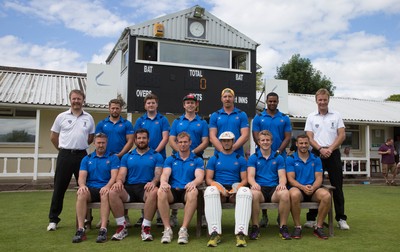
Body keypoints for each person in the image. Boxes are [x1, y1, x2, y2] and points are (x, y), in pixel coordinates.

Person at [47, 89, 95, 231]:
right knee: (59, 188)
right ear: (70, 100)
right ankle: (53, 220)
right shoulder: (61, 116)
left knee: (85, 187)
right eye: (74, 99)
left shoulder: (89, 117)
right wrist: (62, 150)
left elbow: (91, 137)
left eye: (79, 99)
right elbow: (53, 137)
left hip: (82, 156)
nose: (76, 101)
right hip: (65, 156)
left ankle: (86, 218)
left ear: (83, 100)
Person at [304, 88, 349, 230]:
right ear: (316, 100)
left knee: (337, 186)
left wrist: (329, 149)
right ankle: (311, 218)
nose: (322, 102)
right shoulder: (311, 116)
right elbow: (309, 137)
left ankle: (341, 218)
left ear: (328, 100)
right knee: (314, 184)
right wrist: (321, 149)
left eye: (325, 99)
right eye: (320, 100)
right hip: (317, 154)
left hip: (333, 153)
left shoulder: (336, 115)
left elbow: (341, 135)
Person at [108, 128, 163, 241]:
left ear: (148, 139)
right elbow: (122, 174)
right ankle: (121, 227)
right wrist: (118, 182)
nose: (141, 140)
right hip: (130, 188)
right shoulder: (127, 156)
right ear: (135, 140)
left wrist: (153, 182)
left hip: (146, 188)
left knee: (154, 192)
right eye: (139, 138)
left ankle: (145, 228)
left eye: (144, 138)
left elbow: (158, 174)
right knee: (113, 192)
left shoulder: (157, 156)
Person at [204, 131, 252, 247]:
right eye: (224, 141)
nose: (226, 143)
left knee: (245, 191)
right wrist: (218, 187)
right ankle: (215, 233)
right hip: (219, 189)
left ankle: (240, 233)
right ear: (220, 142)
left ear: (233, 142)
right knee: (210, 191)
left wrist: (236, 188)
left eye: (228, 140)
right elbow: (208, 179)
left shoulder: (239, 158)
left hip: (234, 189)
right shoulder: (214, 158)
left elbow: (244, 179)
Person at [252, 92, 292, 227]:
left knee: (280, 184)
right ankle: (264, 215)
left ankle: (281, 217)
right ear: (266, 101)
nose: (272, 103)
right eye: (270, 101)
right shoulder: (259, 117)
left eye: (275, 101)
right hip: (262, 156)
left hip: (280, 157)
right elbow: (256, 136)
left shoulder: (284, 118)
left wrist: (278, 151)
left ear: (278, 101)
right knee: (261, 183)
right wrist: (264, 149)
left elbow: (287, 137)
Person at [168, 93, 209, 227]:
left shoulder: (202, 122)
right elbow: (171, 140)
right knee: (175, 183)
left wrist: (191, 153)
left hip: (196, 158)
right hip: (177, 159)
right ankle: (173, 215)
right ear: (184, 105)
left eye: (192, 102)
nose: (190, 105)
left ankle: (202, 215)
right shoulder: (177, 121)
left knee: (199, 186)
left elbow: (205, 141)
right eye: (187, 102)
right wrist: (181, 152)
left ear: (196, 105)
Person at [157, 132, 204, 244]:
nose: (183, 144)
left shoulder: (197, 160)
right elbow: (165, 174)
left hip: (187, 190)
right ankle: (167, 229)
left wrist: (194, 182)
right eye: (180, 142)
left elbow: (200, 176)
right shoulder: (170, 159)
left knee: (194, 192)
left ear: (190, 142)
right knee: (161, 191)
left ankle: (183, 230)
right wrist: (163, 182)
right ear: (177, 143)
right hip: (173, 190)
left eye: (185, 142)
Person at [72, 133, 120, 243]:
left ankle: (103, 229)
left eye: (103, 143)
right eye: (98, 143)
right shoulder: (86, 159)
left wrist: (107, 186)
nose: (101, 145)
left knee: (104, 194)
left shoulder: (113, 158)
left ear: (106, 143)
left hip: (105, 188)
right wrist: (82, 186)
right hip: (91, 189)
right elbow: (82, 177)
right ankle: (80, 229)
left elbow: (114, 176)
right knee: (81, 193)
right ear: (94, 143)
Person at [95, 98, 134, 227]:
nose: (115, 110)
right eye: (113, 108)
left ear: (120, 109)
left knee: (121, 186)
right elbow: (98, 140)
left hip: (122, 158)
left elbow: (130, 141)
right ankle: (104, 218)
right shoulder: (101, 124)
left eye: (117, 108)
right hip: (106, 160)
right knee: (106, 186)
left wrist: (120, 154)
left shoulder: (127, 124)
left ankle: (125, 216)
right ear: (109, 108)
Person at [133, 93, 170, 227]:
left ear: (157, 104)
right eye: (148, 103)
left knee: (160, 185)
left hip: (159, 157)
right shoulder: (140, 120)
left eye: (153, 102)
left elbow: (165, 138)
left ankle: (161, 216)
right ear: (145, 105)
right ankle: (144, 216)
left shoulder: (163, 119)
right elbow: (136, 137)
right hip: (144, 159)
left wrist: (154, 152)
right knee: (145, 184)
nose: (151, 105)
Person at [247, 130, 291, 240]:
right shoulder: (253, 157)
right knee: (253, 195)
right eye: (263, 140)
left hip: (274, 189)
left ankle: (283, 227)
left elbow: (282, 177)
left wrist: (282, 184)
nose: (265, 142)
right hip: (260, 188)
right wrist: (253, 184)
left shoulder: (278, 157)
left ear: (271, 142)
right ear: (259, 142)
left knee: (285, 193)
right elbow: (250, 176)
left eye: (267, 140)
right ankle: (255, 227)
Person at [286, 134, 332, 240]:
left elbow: (319, 178)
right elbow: (291, 179)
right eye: (301, 143)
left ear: (309, 144)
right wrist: (302, 187)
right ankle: (298, 227)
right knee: (293, 194)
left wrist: (313, 187)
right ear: (297, 144)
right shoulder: (291, 159)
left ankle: (319, 227)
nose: (303, 145)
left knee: (326, 195)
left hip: (313, 190)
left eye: (306, 143)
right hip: (298, 188)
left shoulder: (316, 159)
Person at [209, 88, 249, 157]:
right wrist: (223, 150)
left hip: (237, 155)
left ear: (234, 98)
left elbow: (245, 136)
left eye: (230, 96)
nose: (227, 99)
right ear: (221, 99)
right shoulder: (215, 115)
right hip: (219, 155)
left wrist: (231, 149)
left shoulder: (242, 114)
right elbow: (212, 137)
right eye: (225, 96)